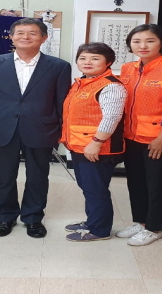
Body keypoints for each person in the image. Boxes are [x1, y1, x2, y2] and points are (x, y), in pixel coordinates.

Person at [0, 18, 71, 238]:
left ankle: (33, 218)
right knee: (4, 176)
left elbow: (62, 102)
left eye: (32, 33)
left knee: (38, 176)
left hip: (42, 128)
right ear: (11, 37)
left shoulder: (59, 66)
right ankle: (5, 217)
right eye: (20, 33)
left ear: (44, 38)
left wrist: (63, 131)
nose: (25, 37)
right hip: (2, 128)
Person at [115, 25, 162, 246]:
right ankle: (141, 221)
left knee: (156, 183)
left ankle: (155, 227)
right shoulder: (128, 68)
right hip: (131, 136)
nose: (143, 46)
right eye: (137, 41)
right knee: (136, 181)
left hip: (157, 138)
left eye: (150, 41)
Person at [61, 43, 127, 242]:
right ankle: (92, 221)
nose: (87, 62)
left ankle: (100, 230)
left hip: (98, 148)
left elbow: (112, 117)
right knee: (87, 186)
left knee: (96, 189)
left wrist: (97, 142)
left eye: (95, 58)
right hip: (80, 145)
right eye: (82, 58)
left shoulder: (111, 86)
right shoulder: (82, 82)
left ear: (109, 62)